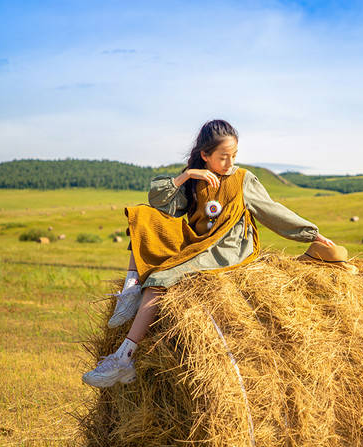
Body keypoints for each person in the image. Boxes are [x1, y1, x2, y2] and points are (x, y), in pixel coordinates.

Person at [82, 119, 335, 388]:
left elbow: (273, 212)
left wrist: (313, 234)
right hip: (198, 240)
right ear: (205, 155)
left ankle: (124, 358)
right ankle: (131, 290)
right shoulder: (196, 180)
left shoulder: (242, 179)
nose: (229, 163)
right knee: (142, 218)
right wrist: (188, 176)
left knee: (160, 280)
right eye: (223, 157)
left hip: (227, 247)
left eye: (234, 156)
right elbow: (159, 202)